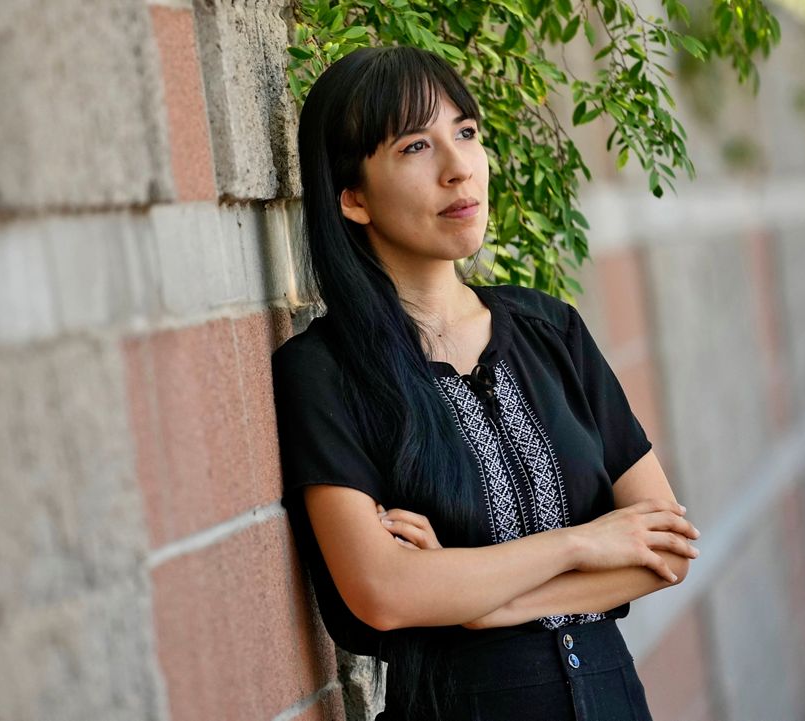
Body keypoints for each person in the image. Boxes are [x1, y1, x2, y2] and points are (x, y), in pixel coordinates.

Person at [270, 45, 702, 721]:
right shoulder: (324, 371)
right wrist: (583, 541)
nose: (458, 166)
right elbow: (383, 589)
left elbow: (665, 550)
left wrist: (486, 599)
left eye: (466, 133)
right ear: (353, 198)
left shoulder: (550, 330)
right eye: (416, 146)